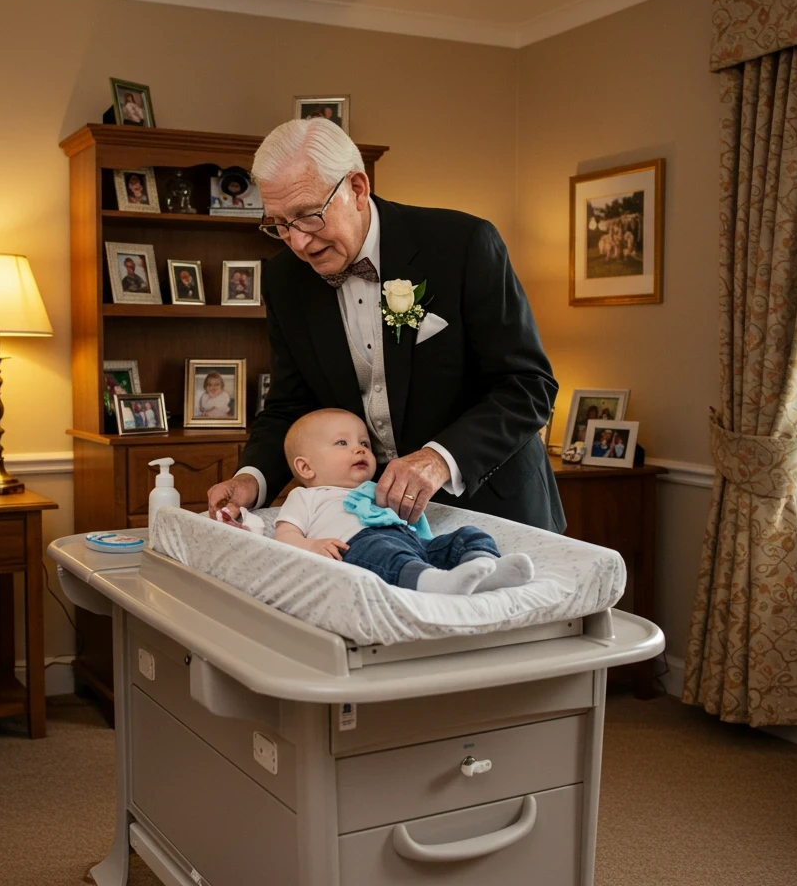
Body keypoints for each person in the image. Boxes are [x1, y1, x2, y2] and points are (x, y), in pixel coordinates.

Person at [207, 118, 563, 531]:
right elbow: (292, 403)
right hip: (376, 518)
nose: (299, 242)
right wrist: (251, 478)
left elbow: (528, 386)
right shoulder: (286, 278)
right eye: (280, 224)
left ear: (357, 188)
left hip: (496, 506)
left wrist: (438, 459)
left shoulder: (463, 244)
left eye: (308, 216)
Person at [271, 410, 533, 595]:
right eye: (342, 442)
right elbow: (284, 535)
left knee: (467, 535)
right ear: (306, 467)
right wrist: (310, 545)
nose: (360, 449)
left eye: (364, 443)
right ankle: (435, 583)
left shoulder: (382, 488)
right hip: (356, 546)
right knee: (382, 552)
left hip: (412, 544)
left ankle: (486, 569)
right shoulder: (305, 497)